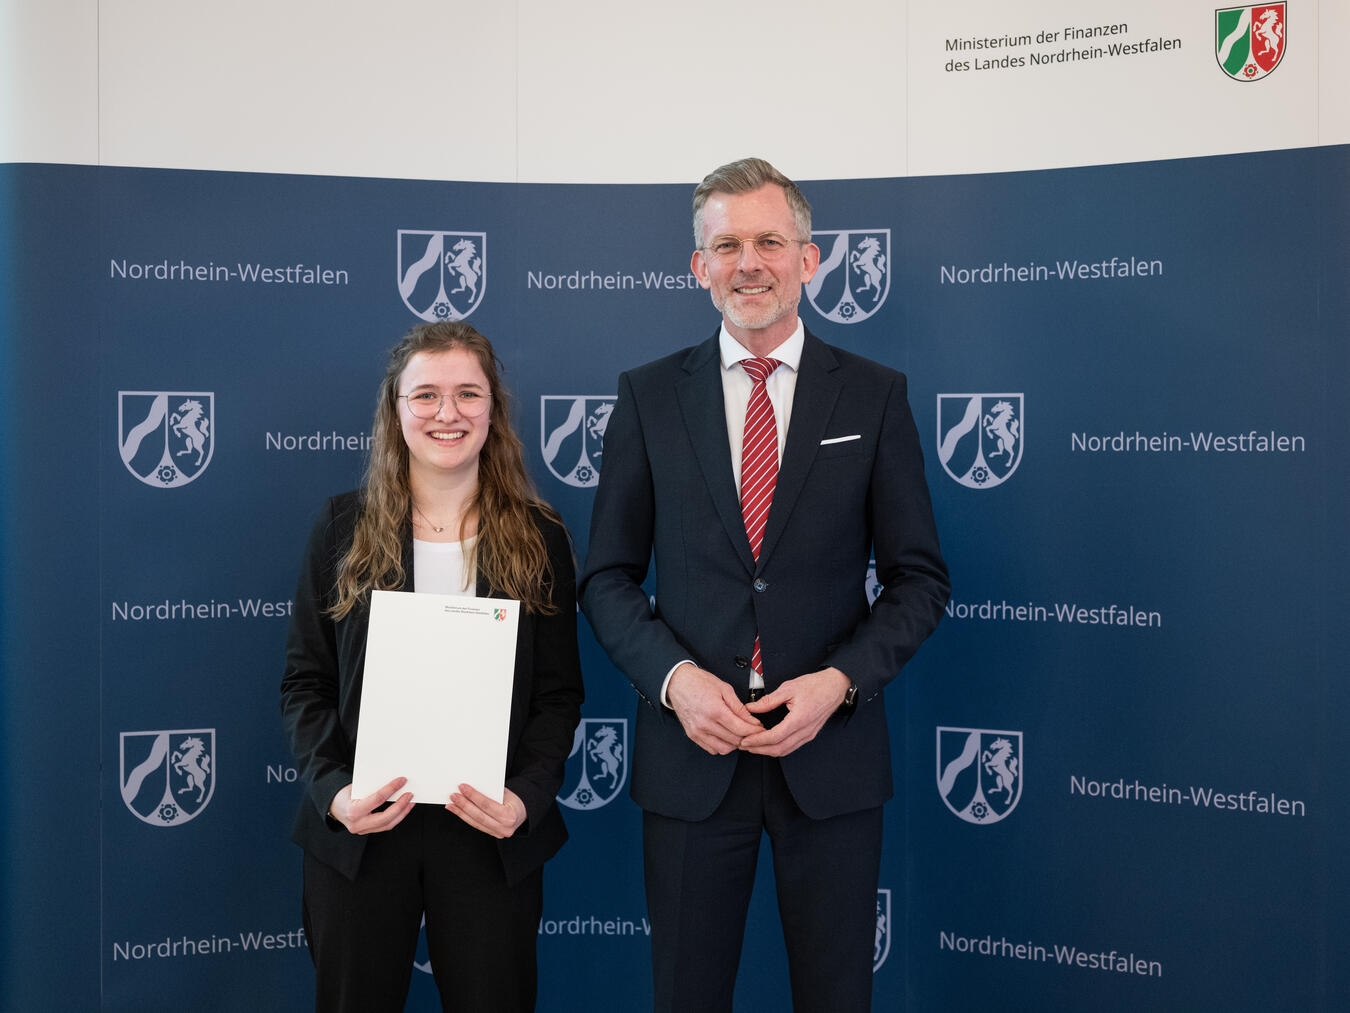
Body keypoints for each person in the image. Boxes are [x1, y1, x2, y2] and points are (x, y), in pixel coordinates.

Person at [579, 157, 949, 1012]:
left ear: (810, 260)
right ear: (698, 267)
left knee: (835, 996)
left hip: (831, 758)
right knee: (688, 996)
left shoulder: (874, 396)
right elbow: (607, 579)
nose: (750, 262)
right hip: (691, 758)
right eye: (728, 244)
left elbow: (919, 580)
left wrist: (840, 683)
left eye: (770, 241)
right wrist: (675, 683)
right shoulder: (647, 399)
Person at [281, 320, 584, 1012]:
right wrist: (335, 793)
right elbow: (304, 683)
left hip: (488, 831)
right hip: (361, 832)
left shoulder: (541, 537)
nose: (447, 412)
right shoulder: (341, 527)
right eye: (426, 395)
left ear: (492, 410)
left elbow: (559, 695)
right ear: (396, 409)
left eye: (467, 393)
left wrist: (524, 799)